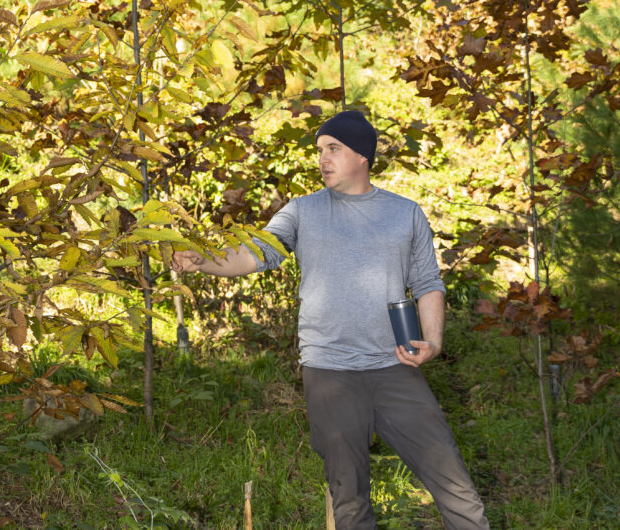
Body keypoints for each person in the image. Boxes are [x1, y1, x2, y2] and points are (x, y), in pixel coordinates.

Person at [172, 110, 489, 529]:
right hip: (329, 371)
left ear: (362, 155)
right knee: (350, 499)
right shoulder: (302, 211)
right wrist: (204, 262)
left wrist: (432, 341)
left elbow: (429, 282)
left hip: (396, 367)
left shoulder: (405, 213)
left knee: (458, 491)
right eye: (320, 150)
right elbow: (255, 253)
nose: (322, 159)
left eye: (333, 149)